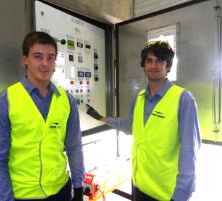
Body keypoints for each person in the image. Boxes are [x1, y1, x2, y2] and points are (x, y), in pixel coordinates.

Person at [86, 40, 201, 201]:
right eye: (149, 60)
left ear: (168, 66)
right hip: (139, 186)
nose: (153, 65)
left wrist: (182, 194)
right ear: (143, 66)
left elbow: (190, 151)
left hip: (167, 193)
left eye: (159, 61)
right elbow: (130, 126)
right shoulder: (139, 98)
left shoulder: (183, 99)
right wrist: (102, 118)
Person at [0, 31, 85, 201]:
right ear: (25, 59)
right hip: (22, 196)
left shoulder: (67, 101)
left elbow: (74, 147)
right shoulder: (3, 102)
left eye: (50, 57)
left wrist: (79, 187)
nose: (45, 63)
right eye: (38, 56)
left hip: (62, 191)